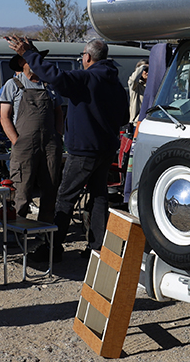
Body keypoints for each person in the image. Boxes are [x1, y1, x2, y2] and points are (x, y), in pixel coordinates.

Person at [7, 36, 129, 256]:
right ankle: (96, 249)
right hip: (106, 149)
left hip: (84, 150)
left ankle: (52, 248)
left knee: (65, 197)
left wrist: (28, 54)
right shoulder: (116, 84)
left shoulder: (86, 79)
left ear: (88, 57)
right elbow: (124, 117)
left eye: (82, 55)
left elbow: (54, 76)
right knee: (99, 196)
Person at [0, 54, 63, 233]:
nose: (36, 64)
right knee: (22, 191)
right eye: (31, 60)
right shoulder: (13, 85)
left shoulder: (49, 85)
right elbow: (4, 117)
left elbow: (59, 112)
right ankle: (15, 234)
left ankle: (44, 234)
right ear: (21, 63)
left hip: (50, 145)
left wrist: (58, 134)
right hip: (24, 146)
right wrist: (16, 141)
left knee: (50, 190)